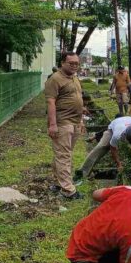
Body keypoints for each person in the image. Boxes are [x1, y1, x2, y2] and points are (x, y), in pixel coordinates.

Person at [44, 51, 86, 199]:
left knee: (63, 155)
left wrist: (81, 120)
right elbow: (50, 102)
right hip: (62, 123)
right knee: (64, 156)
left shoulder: (74, 78)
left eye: (77, 63)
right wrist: (53, 125)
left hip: (75, 122)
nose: (75, 66)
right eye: (71, 63)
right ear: (63, 63)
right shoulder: (55, 79)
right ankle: (68, 190)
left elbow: (78, 98)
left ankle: (58, 183)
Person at [74, 116, 131, 182]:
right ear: (125, 135)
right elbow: (113, 148)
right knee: (101, 146)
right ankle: (82, 172)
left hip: (130, 123)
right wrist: (118, 164)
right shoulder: (118, 132)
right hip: (112, 128)